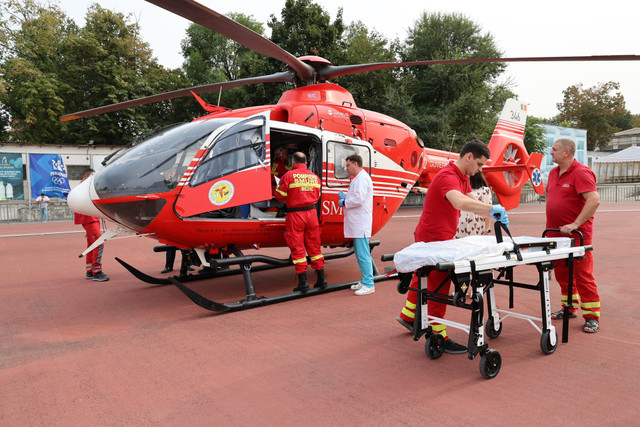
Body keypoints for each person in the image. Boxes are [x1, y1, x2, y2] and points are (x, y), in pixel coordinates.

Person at [396, 139, 509, 354]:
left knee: (422, 277)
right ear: (469, 157)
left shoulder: (463, 177)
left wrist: (494, 215)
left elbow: (473, 204)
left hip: (439, 237)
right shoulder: (449, 176)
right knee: (439, 286)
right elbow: (459, 202)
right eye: (480, 164)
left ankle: (409, 316)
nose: (480, 169)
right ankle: (438, 333)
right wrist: (492, 207)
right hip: (433, 239)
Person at [546, 138, 601, 333]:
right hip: (554, 236)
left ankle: (592, 317)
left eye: (554, 150)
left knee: (583, 276)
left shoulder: (581, 172)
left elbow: (594, 200)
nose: (551, 153)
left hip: (577, 237)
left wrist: (575, 223)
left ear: (566, 152)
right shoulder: (553, 173)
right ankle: (569, 308)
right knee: (562, 275)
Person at [275, 151, 326, 292]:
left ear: (293, 161)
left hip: (296, 215)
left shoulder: (289, 176)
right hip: (312, 214)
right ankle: (322, 280)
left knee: (297, 247)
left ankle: (303, 283)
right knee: (315, 247)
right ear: (306, 162)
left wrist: (275, 189)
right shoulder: (315, 178)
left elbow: (280, 196)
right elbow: (318, 196)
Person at [338, 154, 375, 296]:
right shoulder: (359, 179)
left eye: (348, 165)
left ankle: (369, 284)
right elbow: (358, 198)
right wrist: (346, 198)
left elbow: (358, 199)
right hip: (358, 223)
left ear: (355, 164)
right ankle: (365, 280)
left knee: (363, 254)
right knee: (360, 253)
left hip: (360, 223)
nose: (347, 168)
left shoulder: (362, 179)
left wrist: (345, 201)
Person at [73, 169, 109, 282]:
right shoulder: (86, 188)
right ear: (86, 176)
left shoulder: (81, 188)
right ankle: (97, 271)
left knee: (91, 245)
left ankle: (90, 271)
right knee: (99, 243)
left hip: (88, 219)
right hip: (90, 219)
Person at [455, 172, 493, 238]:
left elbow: (488, 211)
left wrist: (487, 230)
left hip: (476, 226)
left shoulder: (484, 190)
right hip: (459, 227)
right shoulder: (458, 189)